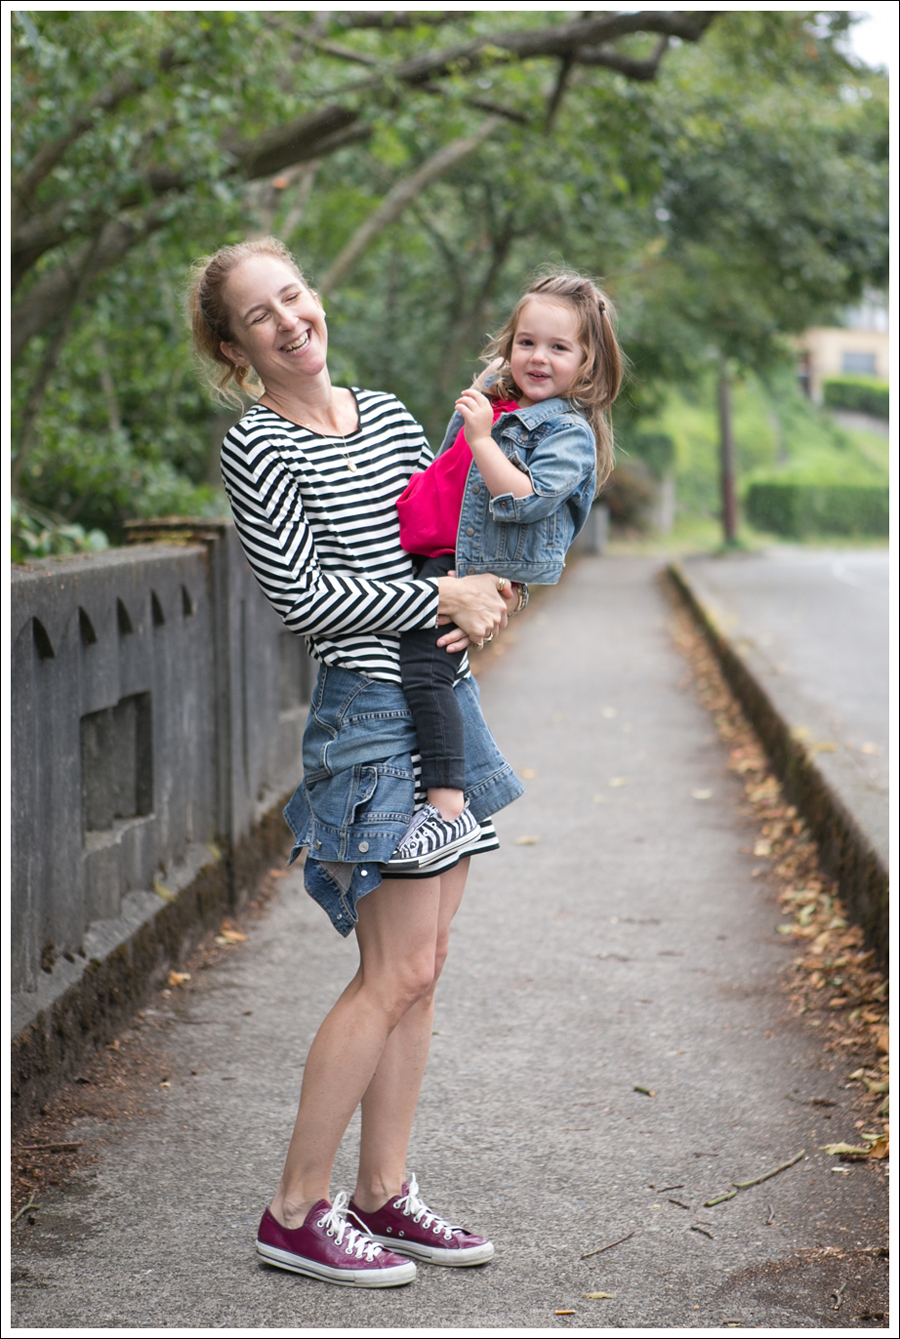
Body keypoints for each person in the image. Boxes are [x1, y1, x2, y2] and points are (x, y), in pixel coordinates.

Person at [188, 236, 524, 1288]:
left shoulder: (383, 414)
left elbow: (434, 538)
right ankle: (295, 1208)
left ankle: (381, 1192)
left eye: (293, 294)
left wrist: (479, 590)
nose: (290, 320)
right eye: (259, 314)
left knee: (425, 971)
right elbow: (304, 602)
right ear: (236, 346)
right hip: (367, 718)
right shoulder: (257, 444)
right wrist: (438, 600)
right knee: (390, 972)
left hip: (440, 702)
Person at [387, 272, 623, 872]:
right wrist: (483, 406)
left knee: (424, 673)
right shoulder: (494, 401)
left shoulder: (567, 432)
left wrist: (484, 439)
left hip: (464, 565)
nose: (537, 357)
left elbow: (529, 499)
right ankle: (450, 794)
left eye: (558, 347)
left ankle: (445, 813)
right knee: (426, 671)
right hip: (430, 553)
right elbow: (446, 466)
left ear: (588, 361)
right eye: (526, 342)